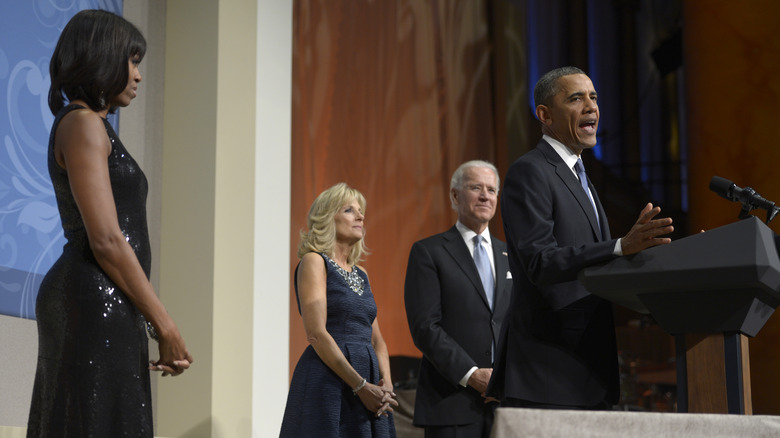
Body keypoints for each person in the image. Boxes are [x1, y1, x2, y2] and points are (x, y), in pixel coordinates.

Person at [27, 10, 192, 437]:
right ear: (102, 57)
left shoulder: (93, 126)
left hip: (110, 300)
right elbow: (105, 239)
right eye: (132, 61)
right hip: (92, 300)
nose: (137, 76)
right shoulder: (82, 123)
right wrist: (165, 324)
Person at [488, 66, 674, 410]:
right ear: (545, 115)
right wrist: (619, 246)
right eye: (576, 98)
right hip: (548, 371)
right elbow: (540, 262)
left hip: (587, 369)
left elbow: (597, 266)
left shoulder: (581, 175)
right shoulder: (531, 171)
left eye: (593, 97)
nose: (591, 107)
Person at [280, 183, 398, 437]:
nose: (360, 216)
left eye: (360, 210)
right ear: (326, 219)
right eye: (349, 210)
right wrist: (360, 386)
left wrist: (386, 383)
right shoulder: (314, 261)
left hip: (368, 380)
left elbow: (377, 339)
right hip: (330, 380)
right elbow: (316, 334)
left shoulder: (362, 273)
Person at [404, 161, 512, 437]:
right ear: (455, 196)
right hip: (451, 403)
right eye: (476, 187)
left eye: (491, 190)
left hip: (507, 405)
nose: (485, 196)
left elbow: (520, 324)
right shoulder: (429, 252)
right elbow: (425, 327)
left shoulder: (511, 255)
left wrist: (508, 379)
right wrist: (473, 375)